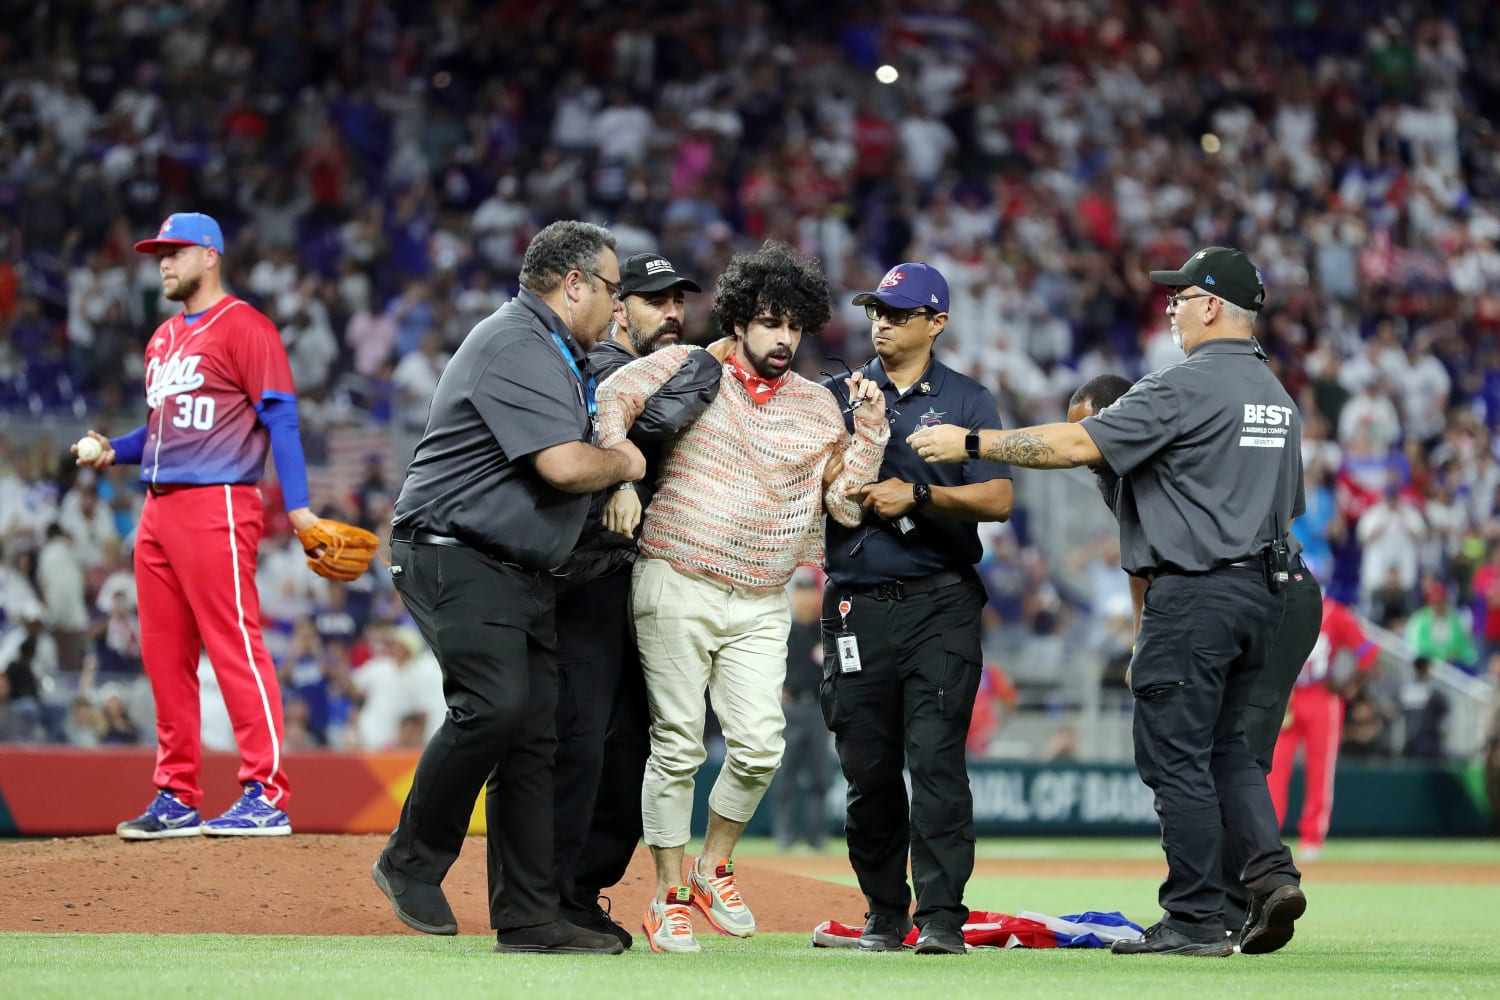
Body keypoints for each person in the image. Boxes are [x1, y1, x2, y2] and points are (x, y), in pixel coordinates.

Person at [911, 247, 1306, 956]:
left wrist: (970, 439)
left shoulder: (1185, 385)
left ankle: (1193, 919)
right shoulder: (1278, 400)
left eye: (1180, 297)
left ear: (1212, 306)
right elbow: (1288, 509)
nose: (1171, 308)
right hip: (1262, 593)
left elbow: (1071, 445)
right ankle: (1270, 874)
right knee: (1229, 749)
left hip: (1195, 593)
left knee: (1175, 756)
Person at [594, 241, 889, 955]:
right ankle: (665, 896)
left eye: (795, 326)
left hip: (762, 596)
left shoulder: (819, 408)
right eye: (769, 323)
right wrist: (621, 477)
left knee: (760, 748)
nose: (784, 339)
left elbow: (846, 508)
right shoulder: (687, 366)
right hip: (675, 577)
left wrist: (871, 431)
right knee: (677, 746)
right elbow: (611, 397)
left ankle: (711, 865)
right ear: (738, 319)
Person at [372, 220, 643, 957]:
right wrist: (625, 463)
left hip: (518, 569)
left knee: (535, 740)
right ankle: (410, 857)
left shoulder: (556, 351)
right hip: (451, 552)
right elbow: (561, 465)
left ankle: (529, 920)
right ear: (575, 283)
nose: (618, 307)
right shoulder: (517, 343)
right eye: (613, 289)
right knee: (496, 704)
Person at [76, 212, 340, 839]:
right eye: (158, 254)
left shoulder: (247, 328)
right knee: (165, 654)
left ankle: (265, 793)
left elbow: (282, 420)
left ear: (210, 255)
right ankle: (176, 795)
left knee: (233, 645)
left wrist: (299, 507)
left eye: (174, 252)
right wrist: (115, 447)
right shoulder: (162, 338)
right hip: (157, 507)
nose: (163, 263)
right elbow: (164, 430)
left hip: (218, 502)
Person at [1068, 372, 1325, 938]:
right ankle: (1263, 883)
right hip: (1281, 588)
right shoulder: (1173, 444)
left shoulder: (1141, 453)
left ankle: (1224, 906)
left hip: (1248, 591)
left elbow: (1152, 562)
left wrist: (1147, 639)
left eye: (1090, 434)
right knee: (1231, 747)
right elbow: (1144, 562)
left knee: (1220, 748)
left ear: (1117, 420)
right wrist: (1143, 638)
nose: (1087, 455)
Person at [818, 262, 1013, 956]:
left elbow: (998, 499)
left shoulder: (967, 401)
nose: (883, 323)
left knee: (934, 763)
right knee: (867, 770)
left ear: (937, 322)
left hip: (939, 602)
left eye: (899, 313)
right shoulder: (836, 395)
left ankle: (940, 918)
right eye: (877, 310)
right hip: (855, 607)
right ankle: (881, 912)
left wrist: (920, 495)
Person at [551, 251, 720, 949]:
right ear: (620, 309)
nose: (672, 313)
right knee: (579, 739)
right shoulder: (587, 371)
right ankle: (552, 893)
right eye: (655, 300)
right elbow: (590, 441)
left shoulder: (686, 374)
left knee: (640, 747)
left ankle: (584, 888)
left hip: (662, 582)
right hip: (590, 578)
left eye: (679, 300)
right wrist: (623, 468)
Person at [1266, 596, 1378, 862]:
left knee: (1320, 771)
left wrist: (1346, 685)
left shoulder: (1334, 613)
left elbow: (1368, 652)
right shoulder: (1279, 607)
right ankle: (1267, 837)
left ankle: (1312, 838)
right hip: (1287, 695)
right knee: (1272, 769)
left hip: (1320, 695)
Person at [773, 567, 832, 853]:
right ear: (794, 596)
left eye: (810, 591)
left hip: (819, 710)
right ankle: (785, 835)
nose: (805, 597)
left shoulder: (826, 628)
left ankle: (816, 837)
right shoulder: (784, 629)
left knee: (820, 778)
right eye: (801, 591)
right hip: (791, 708)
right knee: (786, 776)